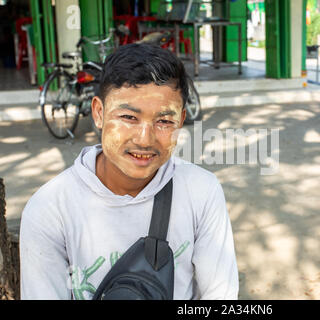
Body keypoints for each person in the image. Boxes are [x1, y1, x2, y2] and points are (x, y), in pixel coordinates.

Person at [19, 43, 239, 300]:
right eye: (128, 117)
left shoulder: (202, 191)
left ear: (180, 122)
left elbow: (220, 294)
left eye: (164, 121)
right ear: (99, 113)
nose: (145, 140)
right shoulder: (49, 209)